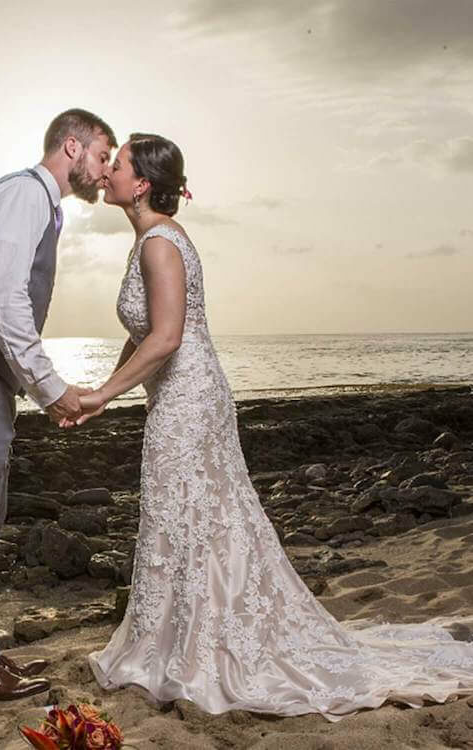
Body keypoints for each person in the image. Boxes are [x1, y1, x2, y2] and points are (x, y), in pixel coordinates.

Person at [70, 133, 473, 721]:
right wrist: (108, 393)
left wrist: (105, 391)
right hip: (179, 396)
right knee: (184, 518)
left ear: (143, 184)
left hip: (191, 400)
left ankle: (210, 650)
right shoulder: (146, 242)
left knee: (198, 516)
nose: (107, 171)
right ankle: (183, 641)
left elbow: (167, 336)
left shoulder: (160, 243)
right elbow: (142, 332)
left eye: (120, 163)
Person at [0, 109, 117, 700]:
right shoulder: (23, 195)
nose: (106, 169)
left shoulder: (41, 206)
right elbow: (3, 303)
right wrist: (54, 389)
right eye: (102, 155)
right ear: (72, 147)